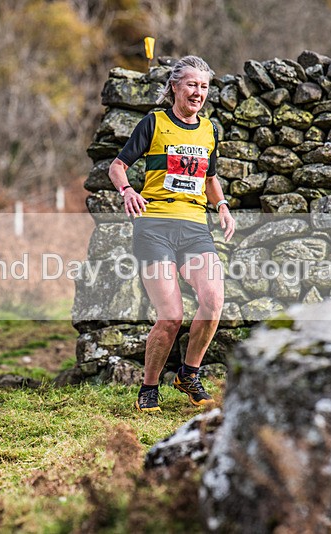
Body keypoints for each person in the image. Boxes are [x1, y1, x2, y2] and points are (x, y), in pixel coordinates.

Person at [108, 55, 235, 413]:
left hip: (195, 227)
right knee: (171, 317)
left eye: (205, 86)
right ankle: (149, 388)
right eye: (192, 84)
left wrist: (222, 205)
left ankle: (188, 374)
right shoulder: (155, 122)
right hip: (155, 228)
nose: (198, 92)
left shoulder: (208, 129)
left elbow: (209, 177)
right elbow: (117, 167)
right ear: (175, 86)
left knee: (213, 301)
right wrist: (128, 191)